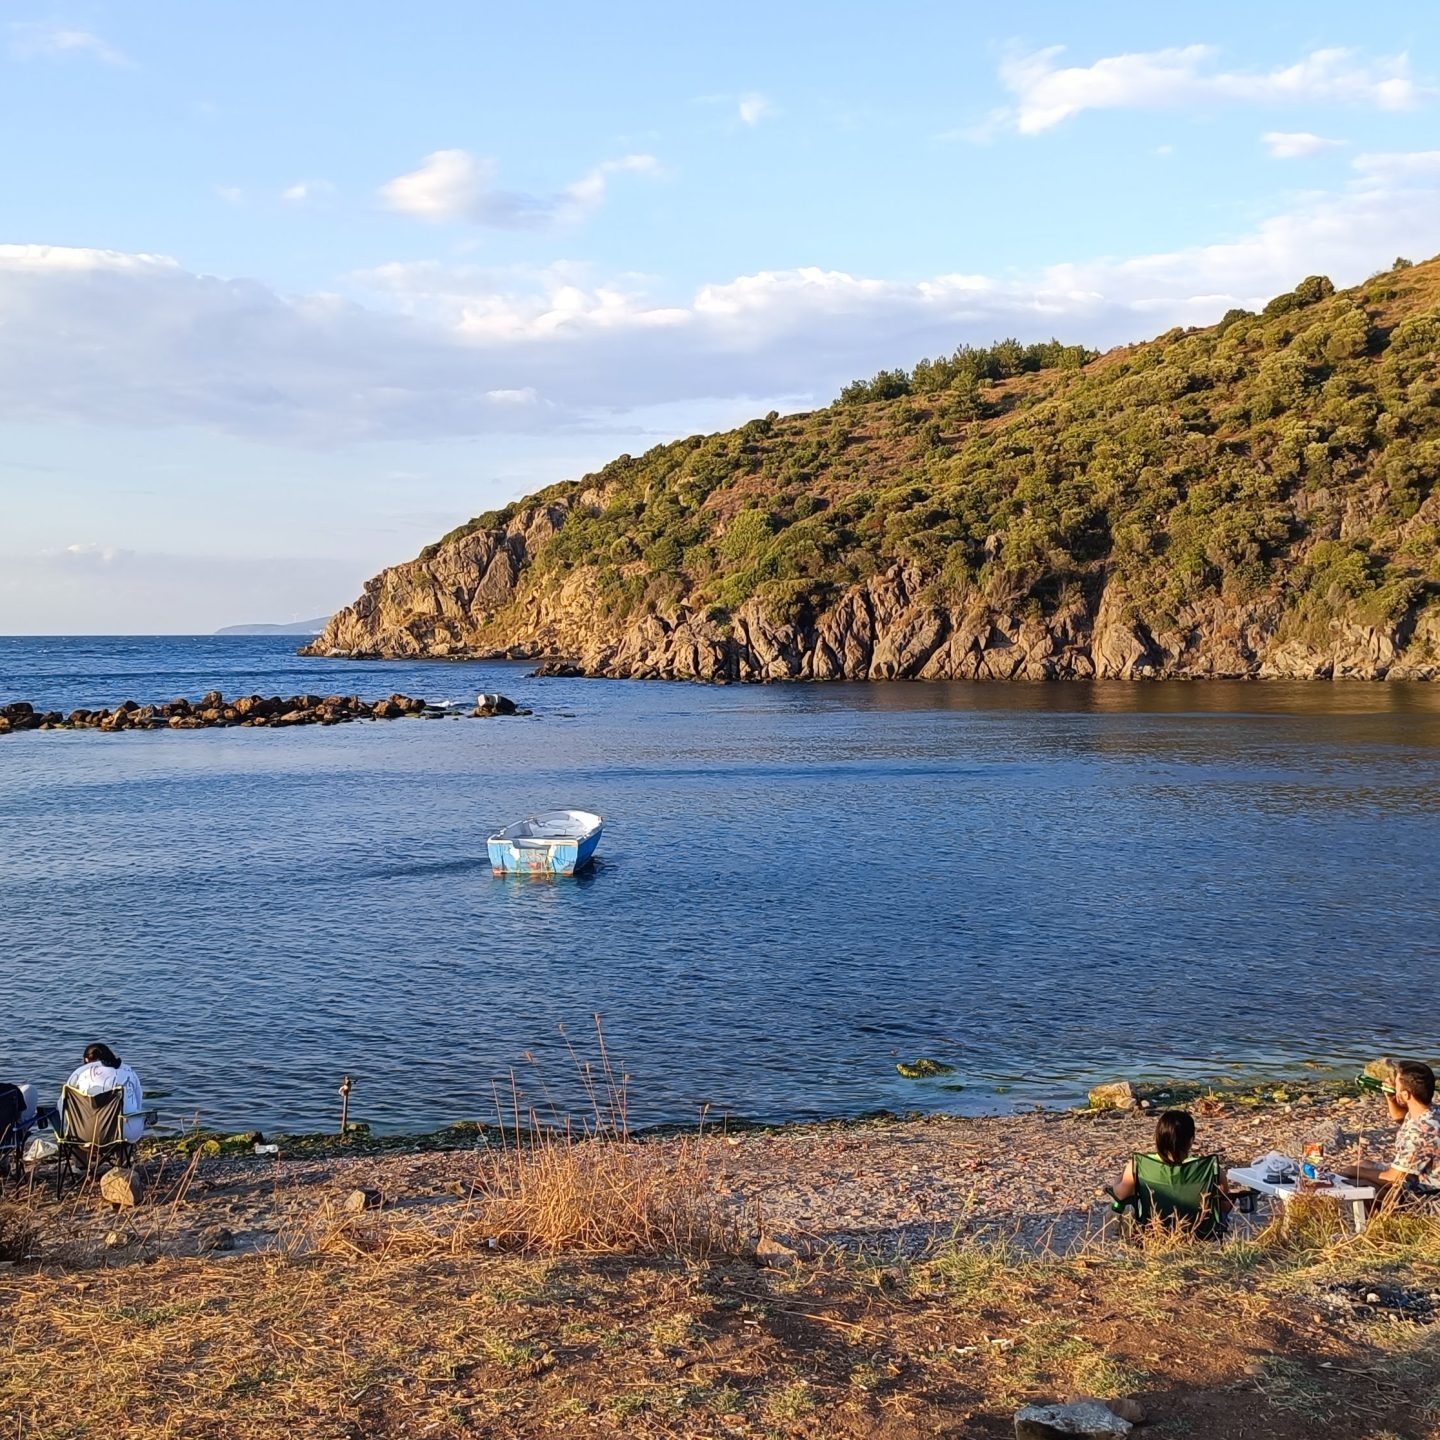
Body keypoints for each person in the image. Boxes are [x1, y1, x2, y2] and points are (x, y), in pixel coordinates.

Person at [1339, 1060, 1439, 1204]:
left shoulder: (1420, 1133)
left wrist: (1352, 1171)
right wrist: (1392, 1099)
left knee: (1359, 1185)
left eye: (1396, 1085)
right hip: (1422, 1177)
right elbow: (1401, 1118)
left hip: (1426, 1195)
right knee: (1364, 1164)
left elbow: (1395, 1178)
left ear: (1406, 1095)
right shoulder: (1430, 1112)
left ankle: (1356, 1219)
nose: (1392, 1086)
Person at [1108, 1108, 1233, 1224]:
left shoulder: (1139, 1165)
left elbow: (1120, 1195)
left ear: (1158, 1138)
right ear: (1191, 1140)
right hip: (1200, 1232)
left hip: (1153, 1230)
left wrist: (1118, 1179)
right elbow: (1224, 1206)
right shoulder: (1209, 1168)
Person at [61, 1044, 147, 1144]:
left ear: (87, 1060)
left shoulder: (79, 1074)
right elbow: (138, 1104)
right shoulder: (129, 1072)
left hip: (81, 1136)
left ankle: (81, 1158)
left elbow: (63, 1107)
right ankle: (122, 1158)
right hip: (123, 1134)